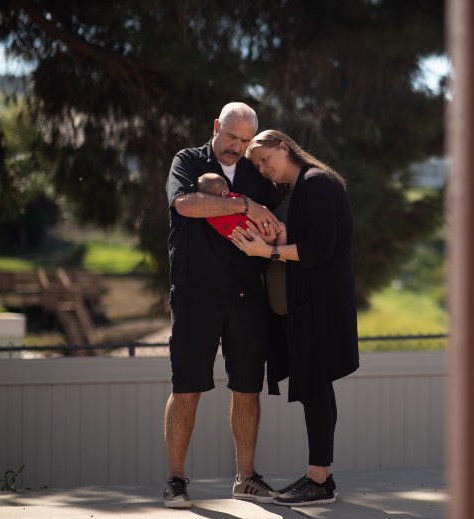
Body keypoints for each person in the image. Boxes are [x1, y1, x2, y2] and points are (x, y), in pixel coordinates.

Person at [230, 130, 359, 506]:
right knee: (315, 388)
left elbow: (321, 247)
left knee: (315, 388)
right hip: (310, 304)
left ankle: (319, 481)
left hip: (318, 305)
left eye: (265, 158)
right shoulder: (305, 185)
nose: (263, 168)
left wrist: (265, 252)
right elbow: (309, 237)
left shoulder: (316, 182)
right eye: (256, 166)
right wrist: (281, 236)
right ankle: (321, 477)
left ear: (284, 148)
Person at [163, 102, 282, 508]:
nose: (237, 146)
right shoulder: (187, 160)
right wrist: (246, 205)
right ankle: (175, 480)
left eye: (246, 140)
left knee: (248, 389)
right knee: (186, 389)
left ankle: (246, 478)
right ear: (216, 126)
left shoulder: (256, 173)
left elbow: (275, 226)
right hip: (195, 294)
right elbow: (186, 204)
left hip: (247, 296)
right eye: (231, 136)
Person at [196, 172, 251, 238]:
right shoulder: (233, 198)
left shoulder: (208, 214)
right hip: (255, 229)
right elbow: (248, 203)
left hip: (238, 239)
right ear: (224, 192)